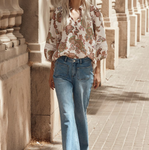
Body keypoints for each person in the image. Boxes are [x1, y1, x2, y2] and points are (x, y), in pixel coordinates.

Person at [44, 0, 108, 149]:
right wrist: (51, 72)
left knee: (80, 114)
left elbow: (100, 42)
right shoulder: (59, 12)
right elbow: (53, 42)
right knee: (67, 116)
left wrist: (97, 70)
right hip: (62, 68)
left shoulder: (94, 12)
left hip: (84, 68)